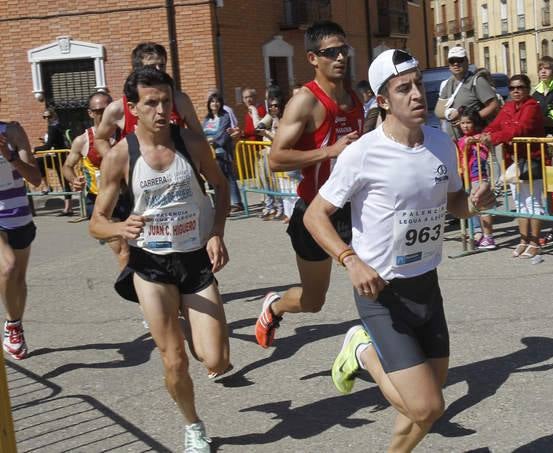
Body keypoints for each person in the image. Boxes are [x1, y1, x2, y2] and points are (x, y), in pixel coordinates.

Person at [304, 48, 495, 452]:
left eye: (418, 84)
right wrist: (349, 260)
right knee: (427, 406)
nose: (416, 95)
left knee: (420, 409)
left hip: (426, 286)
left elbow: (454, 203)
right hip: (380, 293)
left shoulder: (442, 144)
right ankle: (361, 350)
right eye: (402, 88)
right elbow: (315, 216)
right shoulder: (363, 153)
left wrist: (476, 203)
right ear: (383, 100)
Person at [89, 67, 231, 452]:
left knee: (215, 359)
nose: (161, 109)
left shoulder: (190, 143)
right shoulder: (120, 156)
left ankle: (194, 325)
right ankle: (194, 425)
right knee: (175, 362)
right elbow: (96, 223)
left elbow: (220, 185)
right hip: (151, 265)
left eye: (166, 101)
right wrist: (120, 229)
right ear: (132, 108)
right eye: (151, 103)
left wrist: (216, 232)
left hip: (194, 259)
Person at [253, 20, 362, 349]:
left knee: (378, 280)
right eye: (331, 52)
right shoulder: (305, 101)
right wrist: (330, 150)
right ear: (313, 58)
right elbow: (276, 158)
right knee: (314, 300)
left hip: (354, 210)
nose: (340, 57)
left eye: (343, 50)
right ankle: (274, 307)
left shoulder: (355, 97)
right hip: (315, 213)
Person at [94, 42, 203, 159]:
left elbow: (199, 136)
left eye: (162, 65)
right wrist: (115, 162)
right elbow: (100, 139)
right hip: (140, 172)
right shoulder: (118, 108)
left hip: (177, 169)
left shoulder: (179, 100)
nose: (158, 70)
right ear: (137, 69)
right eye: (151, 66)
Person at [478, 74, 545, 261]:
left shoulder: (532, 106)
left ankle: (535, 242)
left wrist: (495, 137)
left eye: (520, 87)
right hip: (514, 162)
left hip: (532, 161)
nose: (516, 91)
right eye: (512, 88)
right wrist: (485, 134)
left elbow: (521, 129)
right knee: (520, 203)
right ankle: (524, 240)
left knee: (533, 203)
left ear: (527, 88)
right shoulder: (507, 107)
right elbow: (495, 125)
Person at [62, 92, 129, 269]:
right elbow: (67, 166)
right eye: (98, 111)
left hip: (128, 198)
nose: (103, 113)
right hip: (101, 202)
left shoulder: (128, 134)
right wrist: (74, 180)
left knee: (138, 250)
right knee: (123, 251)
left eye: (107, 108)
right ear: (90, 113)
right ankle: (132, 291)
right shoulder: (83, 140)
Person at [0, 105, 43, 360]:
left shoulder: (13, 131)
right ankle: (12, 325)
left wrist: (9, 155)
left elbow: (36, 179)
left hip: (19, 217)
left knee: (18, 279)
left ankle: (14, 324)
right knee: (7, 267)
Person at [437, 46, 500, 140]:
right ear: (449, 65)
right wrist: (449, 113)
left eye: (459, 60)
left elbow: (493, 105)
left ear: (466, 61)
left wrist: (468, 120)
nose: (456, 64)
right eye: (452, 61)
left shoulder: (477, 81)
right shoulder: (448, 83)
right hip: (455, 142)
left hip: (474, 142)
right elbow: (438, 110)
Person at [457, 109, 495, 249]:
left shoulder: (480, 138)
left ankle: (489, 237)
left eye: (468, 122)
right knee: (472, 206)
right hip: (466, 177)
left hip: (478, 175)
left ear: (475, 123)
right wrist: (466, 143)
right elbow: (460, 148)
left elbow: (485, 151)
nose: (465, 126)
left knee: (483, 205)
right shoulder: (462, 140)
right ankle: (477, 233)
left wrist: (475, 142)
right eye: (462, 123)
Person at [203, 92, 243, 213]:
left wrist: (213, 141)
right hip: (210, 152)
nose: (215, 104)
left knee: (228, 177)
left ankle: (236, 202)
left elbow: (223, 133)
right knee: (217, 179)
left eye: (217, 101)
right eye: (212, 101)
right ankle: (224, 204)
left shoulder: (224, 116)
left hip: (222, 151)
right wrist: (205, 142)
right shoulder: (207, 118)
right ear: (209, 104)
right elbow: (202, 132)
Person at [35, 107, 72, 215]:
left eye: (49, 116)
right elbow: (55, 141)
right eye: (44, 117)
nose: (47, 119)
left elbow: (48, 145)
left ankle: (67, 208)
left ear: (54, 115)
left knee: (63, 180)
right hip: (58, 155)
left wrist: (35, 149)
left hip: (57, 156)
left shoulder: (53, 127)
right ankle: (67, 207)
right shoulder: (57, 125)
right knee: (41, 162)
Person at [532, 56, 553, 137]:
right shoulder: (535, 93)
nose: (543, 72)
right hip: (541, 133)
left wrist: (551, 119)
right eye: (540, 69)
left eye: (547, 68)